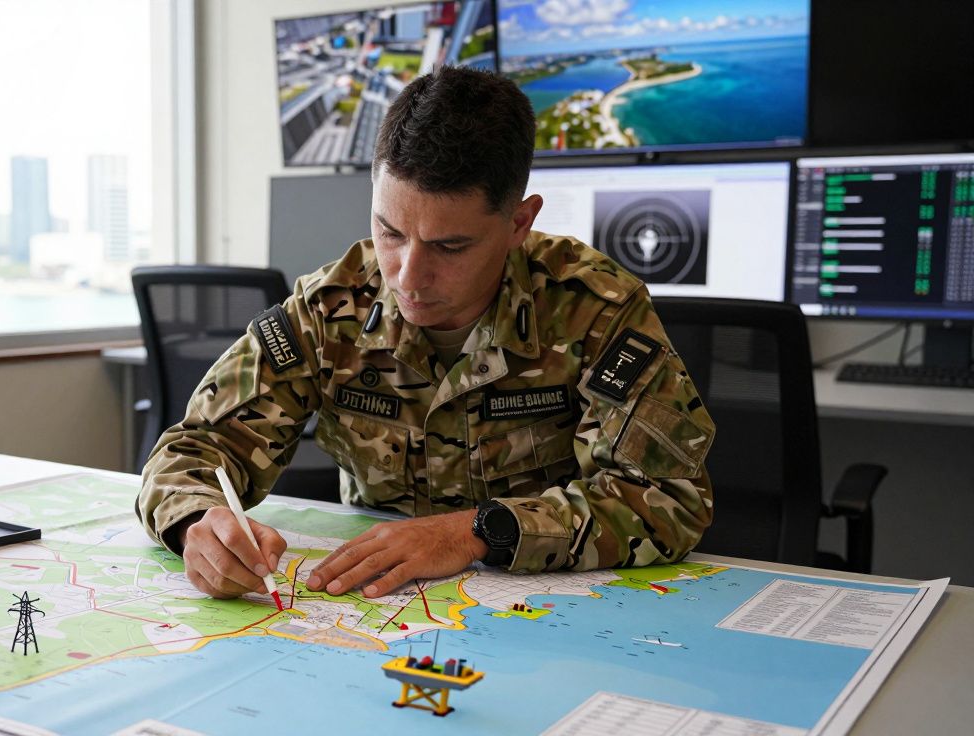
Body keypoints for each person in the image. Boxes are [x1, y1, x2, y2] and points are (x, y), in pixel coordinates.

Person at [137, 66, 715, 602]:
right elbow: (192, 450)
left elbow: (670, 499)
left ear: (519, 222)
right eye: (389, 232)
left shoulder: (595, 309)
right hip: (377, 609)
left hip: (545, 604)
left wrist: (476, 532)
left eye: (450, 246)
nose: (408, 277)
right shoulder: (330, 309)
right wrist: (198, 523)